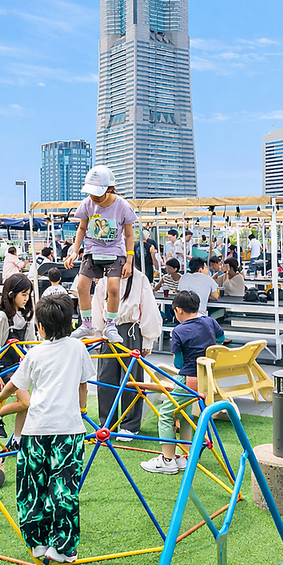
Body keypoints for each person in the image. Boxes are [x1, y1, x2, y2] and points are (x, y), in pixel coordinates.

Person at [0, 294, 93, 563]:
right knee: (64, 487)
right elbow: (83, 384)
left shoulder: (35, 353)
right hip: (68, 430)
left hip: (36, 430)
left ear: (42, 328)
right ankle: (63, 546)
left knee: (32, 486)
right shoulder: (78, 348)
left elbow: (16, 384)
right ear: (69, 323)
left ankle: (37, 542)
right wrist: (82, 409)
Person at [141, 291, 225, 474]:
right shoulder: (210, 321)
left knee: (166, 414)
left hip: (188, 379)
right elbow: (221, 339)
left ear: (177, 310)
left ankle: (167, 460)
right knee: (185, 414)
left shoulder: (178, 331)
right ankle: (184, 457)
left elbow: (178, 363)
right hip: (207, 378)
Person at [65, 166, 137, 343]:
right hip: (92, 250)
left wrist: (129, 261)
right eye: (91, 194)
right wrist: (75, 251)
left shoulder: (122, 206)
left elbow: (129, 235)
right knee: (82, 286)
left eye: (97, 194)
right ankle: (86, 324)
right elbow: (82, 228)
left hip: (115, 251)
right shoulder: (87, 204)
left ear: (110, 189)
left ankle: (111, 325)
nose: (94, 198)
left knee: (113, 288)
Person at [92, 268, 162, 437]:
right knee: (105, 379)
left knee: (131, 380)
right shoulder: (104, 279)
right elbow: (97, 306)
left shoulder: (140, 278)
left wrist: (147, 340)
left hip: (130, 331)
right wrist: (97, 334)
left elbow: (148, 310)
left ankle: (130, 426)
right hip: (108, 332)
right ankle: (107, 423)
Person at [0, 273, 36, 440]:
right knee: (26, 402)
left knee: (25, 404)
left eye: (28, 295)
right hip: (6, 367)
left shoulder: (26, 317)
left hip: (20, 366)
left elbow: (29, 345)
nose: (26, 299)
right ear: (11, 294)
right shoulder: (2, 318)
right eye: (23, 294)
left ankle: (17, 439)